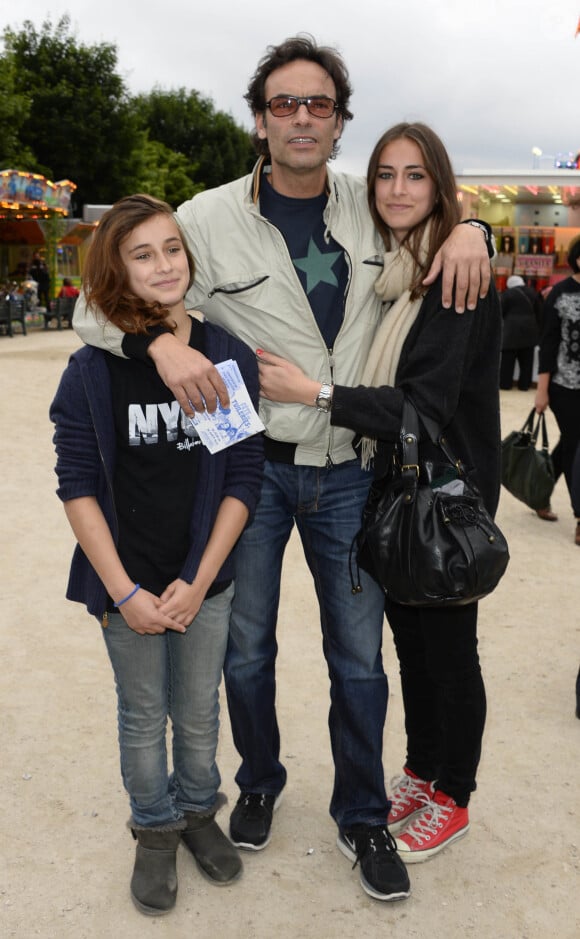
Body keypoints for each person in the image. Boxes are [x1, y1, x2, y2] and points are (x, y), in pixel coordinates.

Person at [73, 36, 492, 902]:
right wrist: (154, 343)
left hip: (354, 470)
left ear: (341, 122)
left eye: (320, 104)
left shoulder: (376, 204)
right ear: (259, 120)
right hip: (251, 471)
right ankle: (258, 780)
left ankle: (362, 810)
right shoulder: (205, 214)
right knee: (246, 648)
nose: (302, 117)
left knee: (359, 658)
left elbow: (440, 223)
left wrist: (477, 228)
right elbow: (96, 296)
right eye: (284, 104)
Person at [258, 121, 501, 864]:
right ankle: (424, 772)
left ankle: (453, 793)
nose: (397, 190)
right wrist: (473, 228)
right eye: (386, 175)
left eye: (415, 176)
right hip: (393, 491)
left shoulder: (454, 280)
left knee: (450, 655)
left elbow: (422, 411)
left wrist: (314, 392)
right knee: (411, 649)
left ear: (441, 186)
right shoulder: (400, 268)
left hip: (444, 496)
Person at [50, 195, 263, 916]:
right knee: (144, 714)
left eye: (172, 248)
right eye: (142, 254)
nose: (164, 264)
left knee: (199, 710)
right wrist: (126, 590)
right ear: (114, 269)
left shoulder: (225, 353)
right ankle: (154, 826)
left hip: (206, 579)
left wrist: (200, 580)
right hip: (127, 585)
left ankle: (200, 810)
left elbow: (242, 476)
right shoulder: (90, 370)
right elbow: (77, 485)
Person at [535, 238, 580, 546]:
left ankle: (538, 490)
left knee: (571, 445)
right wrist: (542, 390)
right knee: (578, 446)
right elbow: (548, 343)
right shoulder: (560, 294)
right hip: (564, 386)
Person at [499, 274, 542, 391]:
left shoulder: (507, 294)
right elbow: (539, 312)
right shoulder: (533, 293)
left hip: (511, 330)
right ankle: (524, 385)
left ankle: (505, 384)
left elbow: (501, 312)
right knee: (527, 361)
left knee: (508, 360)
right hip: (530, 329)